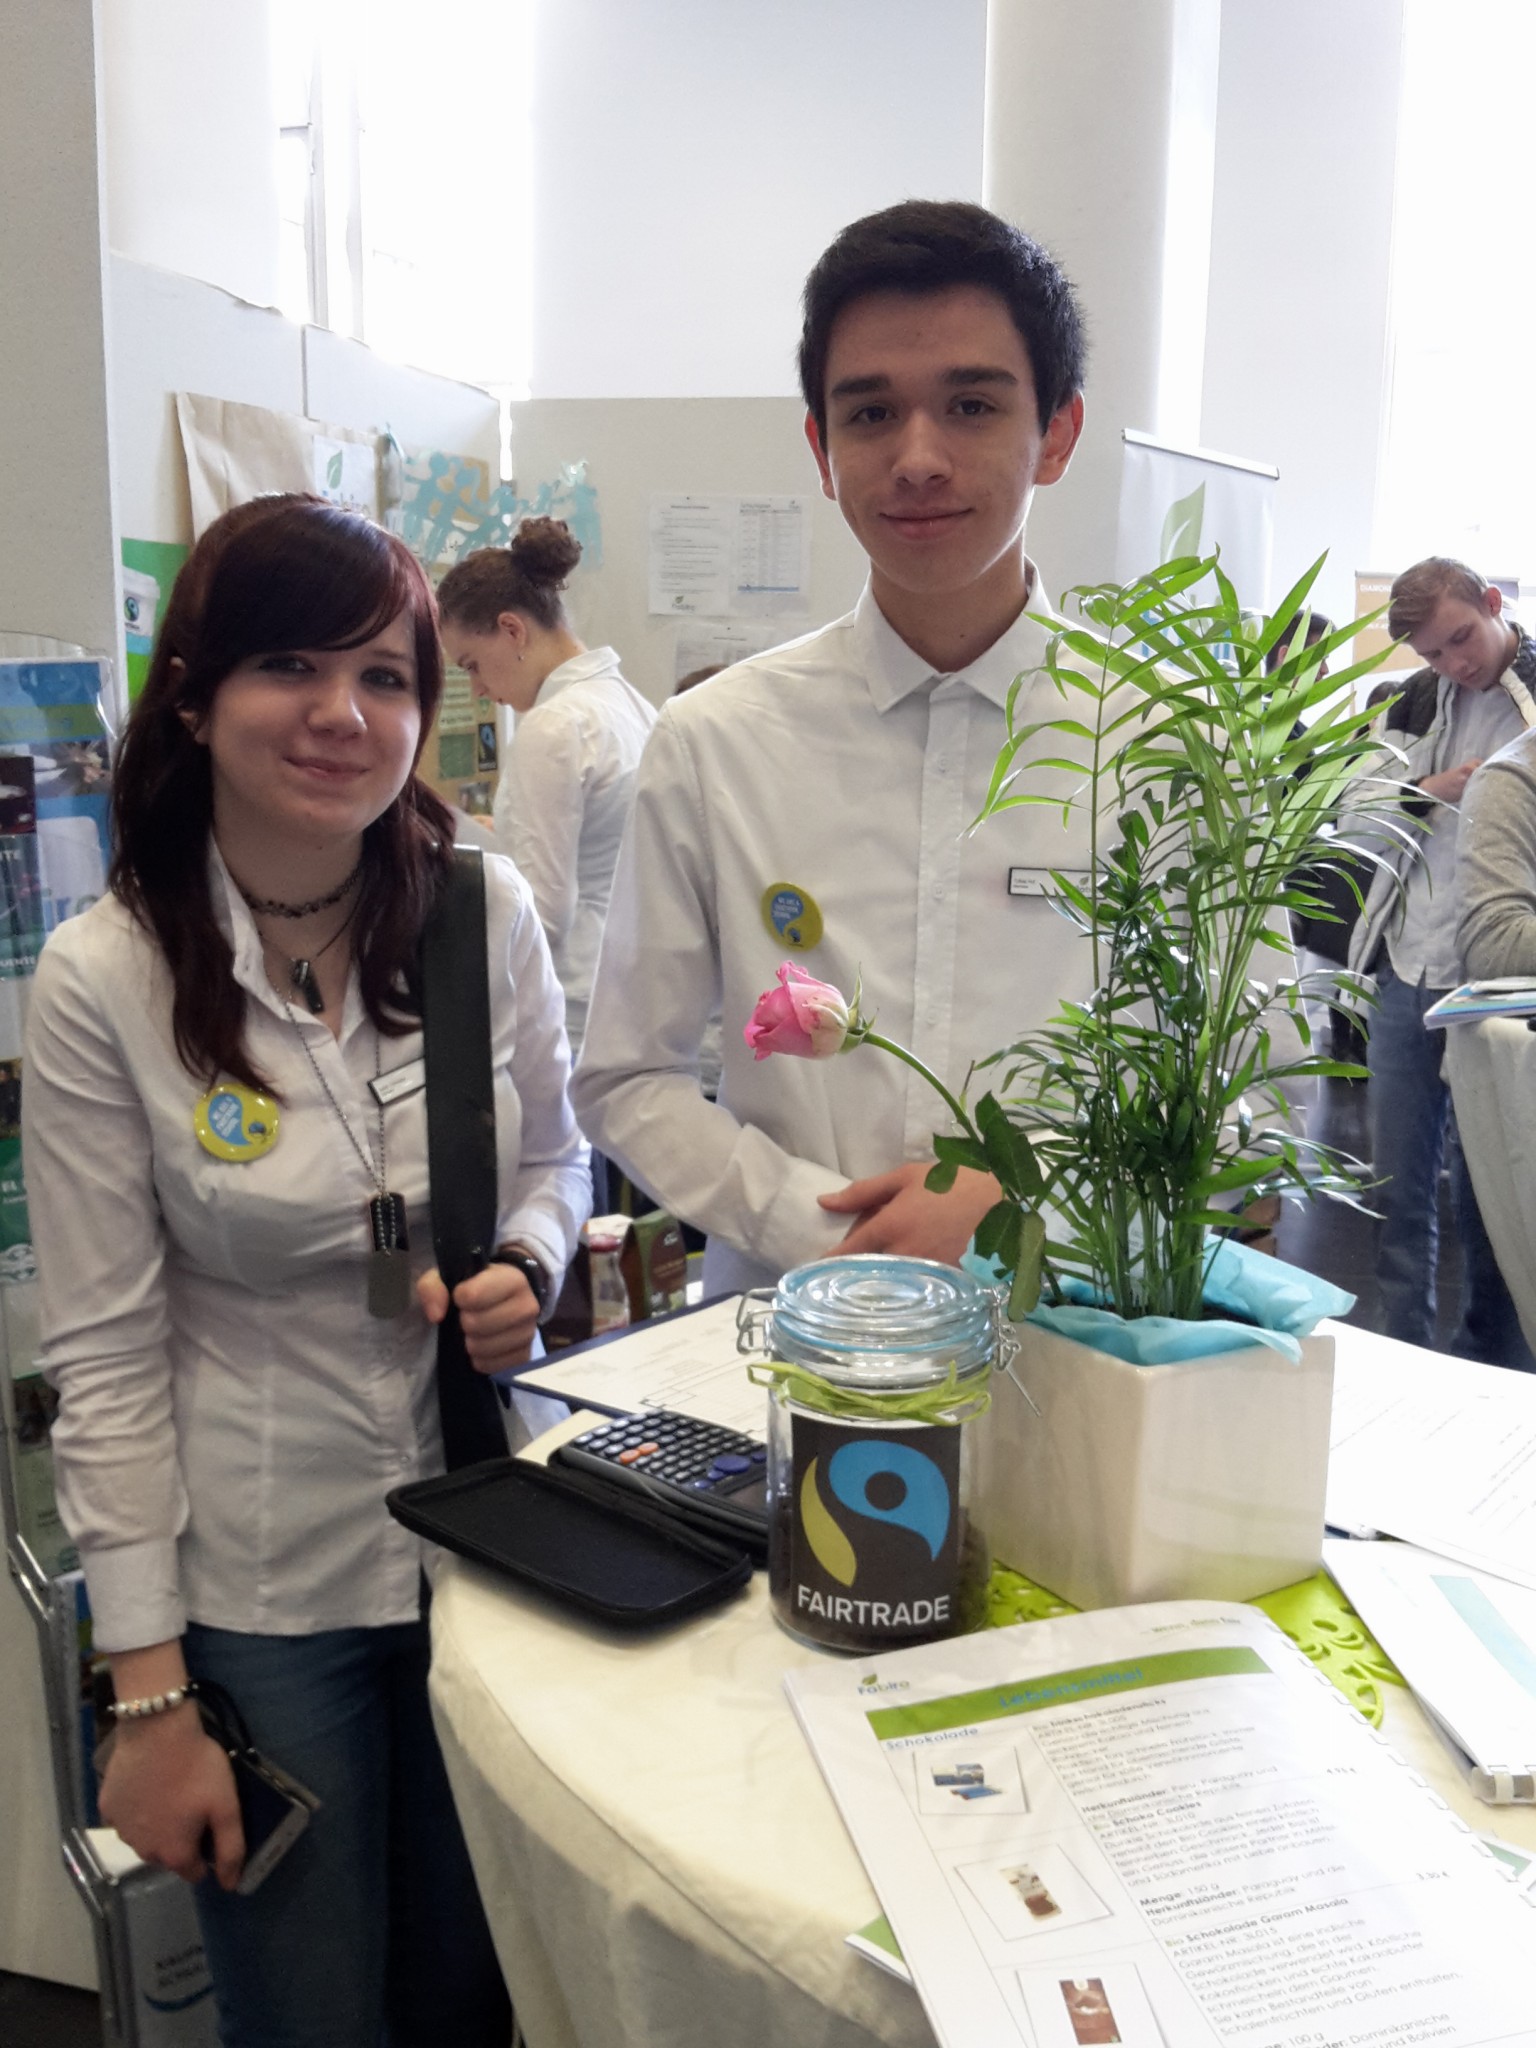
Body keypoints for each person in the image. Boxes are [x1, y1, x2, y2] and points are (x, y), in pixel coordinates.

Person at [22, 499, 589, 2046]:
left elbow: (560, 1156)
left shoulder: (479, 912)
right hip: (265, 1589)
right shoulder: (109, 979)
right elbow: (105, 1356)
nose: (344, 713)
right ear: (195, 697)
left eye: (385, 677)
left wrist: (527, 1257)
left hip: (486, 1543)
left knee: (481, 1992)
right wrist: (149, 1699)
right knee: (309, 2011)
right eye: (291, 664)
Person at [573, 199, 1089, 1293]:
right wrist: (830, 1229)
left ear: (1056, 434)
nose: (918, 457)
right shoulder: (716, 741)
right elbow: (628, 1075)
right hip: (788, 1331)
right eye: (870, 414)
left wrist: (1031, 1199)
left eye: (971, 405)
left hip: (1078, 1336)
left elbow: (1256, 1096)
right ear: (821, 448)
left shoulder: (1162, 743)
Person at [1345, 555, 1535, 1363]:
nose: (1454, 662)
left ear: (1492, 603)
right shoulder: (1409, 701)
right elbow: (1353, 813)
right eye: (1433, 652)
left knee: (1496, 1196)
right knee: (1396, 1189)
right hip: (1407, 966)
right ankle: (1399, 1358)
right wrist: (1433, 789)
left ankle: (1495, 1370)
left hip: (1501, 984)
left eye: (1461, 637)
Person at [436, 518, 655, 1059]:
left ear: (512, 630)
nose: (478, 688)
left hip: (574, 999)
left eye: (472, 665)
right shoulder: (628, 703)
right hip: (629, 983)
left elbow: (543, 914)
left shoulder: (554, 726)